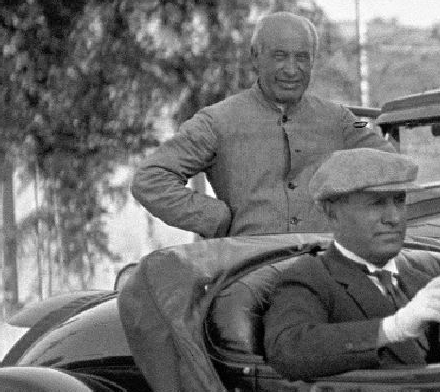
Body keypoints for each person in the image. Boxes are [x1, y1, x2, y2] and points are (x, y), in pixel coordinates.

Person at [131, 12, 387, 239]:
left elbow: (391, 165)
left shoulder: (339, 119)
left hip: (326, 270)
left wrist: (349, 214)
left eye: (301, 58)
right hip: (249, 273)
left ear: (312, 62)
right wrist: (215, 218)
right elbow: (150, 179)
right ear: (256, 57)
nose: (291, 69)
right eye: (279, 56)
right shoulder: (217, 121)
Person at [262, 148, 440, 380]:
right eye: (376, 204)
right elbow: (289, 349)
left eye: (399, 201)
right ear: (332, 213)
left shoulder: (421, 275)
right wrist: (393, 328)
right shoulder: (310, 278)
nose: (394, 218)